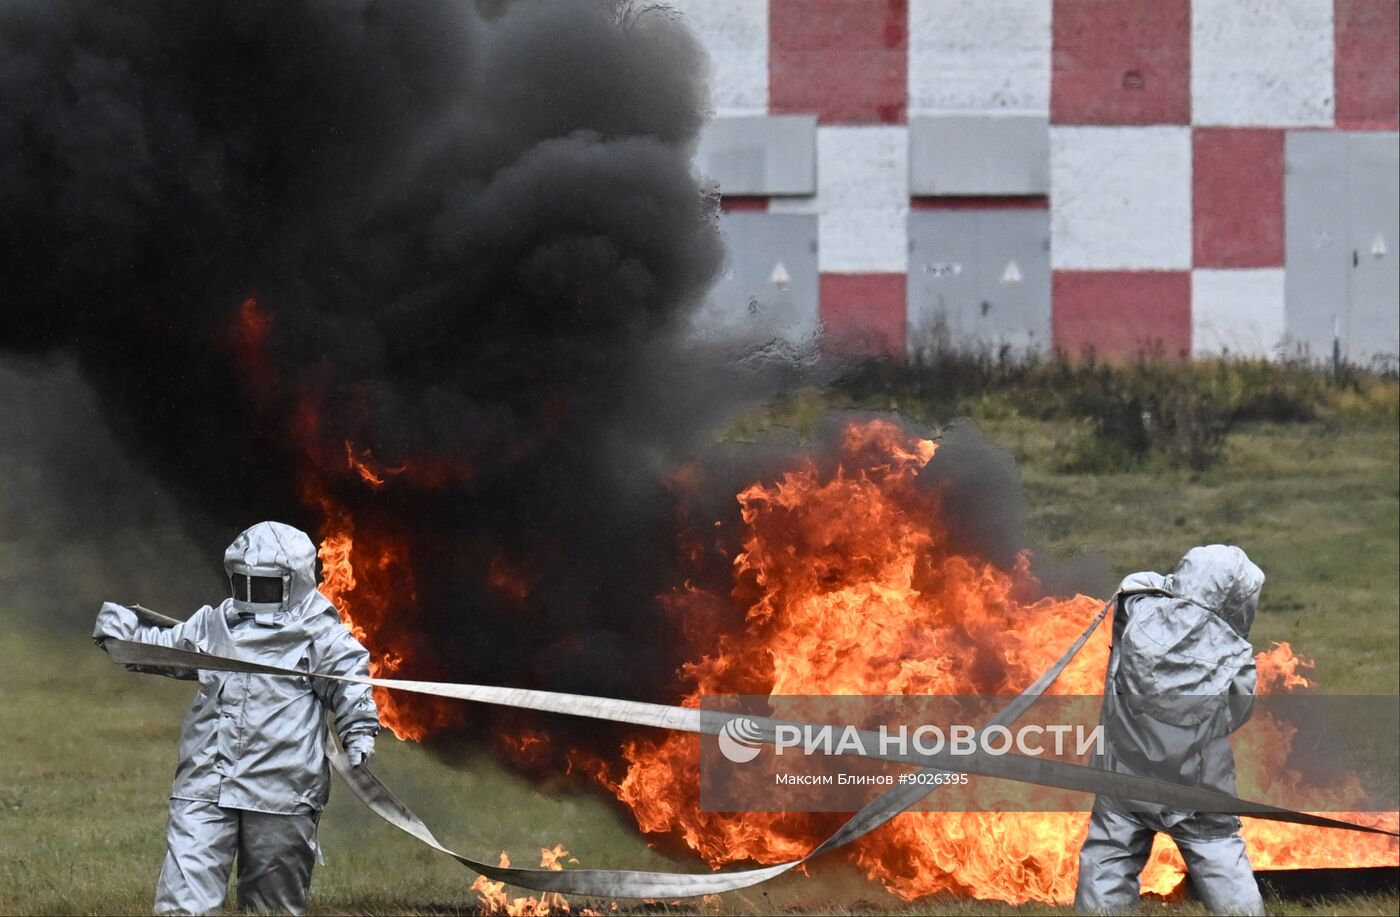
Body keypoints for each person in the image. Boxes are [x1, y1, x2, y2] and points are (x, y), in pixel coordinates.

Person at [93, 521, 380, 915]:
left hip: (281, 790)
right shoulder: (215, 624)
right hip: (207, 780)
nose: (251, 592)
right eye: (243, 581)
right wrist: (125, 636)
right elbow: (171, 648)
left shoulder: (322, 637)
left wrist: (359, 733)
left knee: (271, 904)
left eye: (262, 584)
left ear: (293, 582)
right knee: (184, 897)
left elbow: (350, 686)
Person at [1075, 545, 1266, 916]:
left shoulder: (1138, 613)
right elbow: (1234, 715)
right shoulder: (1236, 660)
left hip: (1123, 773)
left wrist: (1174, 588)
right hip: (1196, 787)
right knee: (1219, 856)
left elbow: (1135, 584)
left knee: (1110, 855)